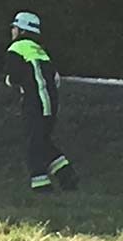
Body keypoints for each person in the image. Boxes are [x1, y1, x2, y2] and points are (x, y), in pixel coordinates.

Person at [4, 11, 79, 193]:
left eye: (15, 27)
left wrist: (6, 80)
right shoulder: (40, 51)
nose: (12, 31)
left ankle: (42, 188)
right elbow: (54, 78)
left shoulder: (17, 48)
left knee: (33, 145)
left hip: (34, 103)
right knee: (42, 141)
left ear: (22, 30)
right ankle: (66, 175)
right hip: (50, 103)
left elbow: (14, 76)